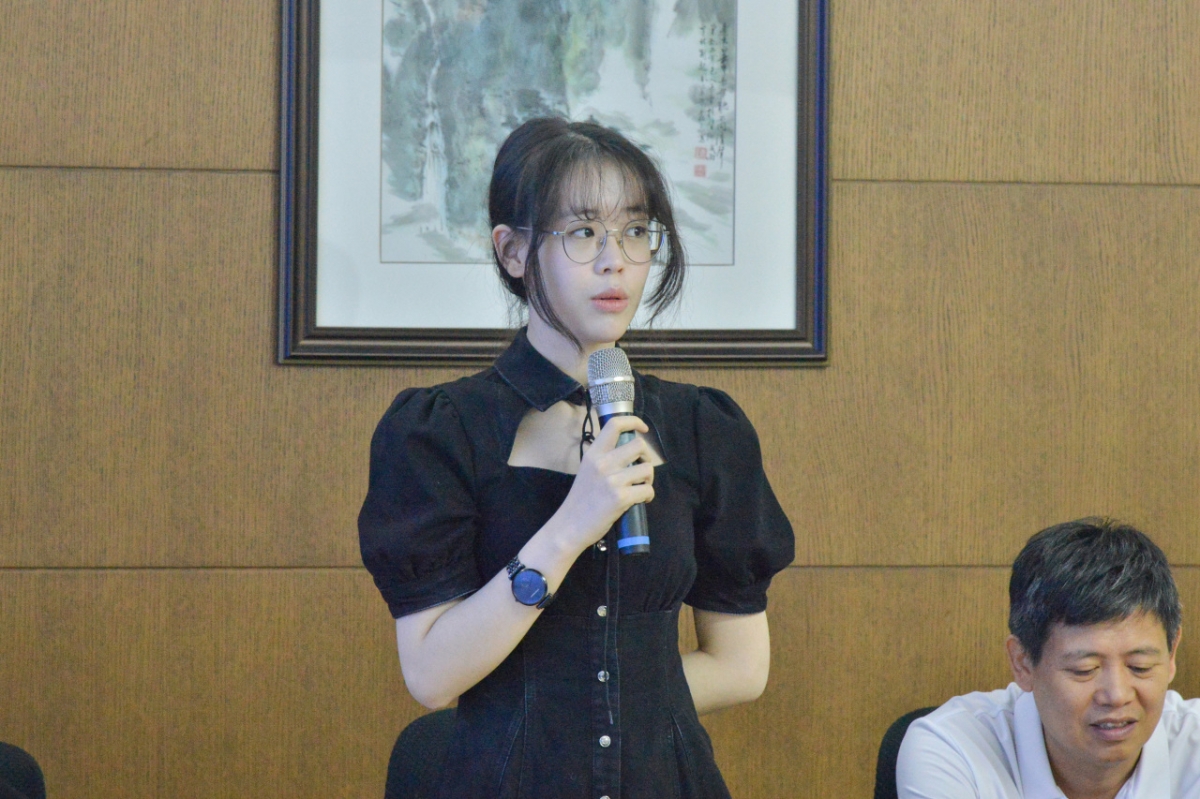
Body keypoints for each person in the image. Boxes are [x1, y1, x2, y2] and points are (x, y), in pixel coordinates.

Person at [358, 117, 795, 799]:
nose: (615, 260)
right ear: (512, 251)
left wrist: (606, 710)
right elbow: (432, 676)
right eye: (584, 232)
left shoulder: (702, 428)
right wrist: (571, 525)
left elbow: (742, 667)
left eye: (635, 230)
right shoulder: (442, 432)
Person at [897, 518, 1200, 799]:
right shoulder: (953, 748)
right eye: (1085, 669)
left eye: (1139, 667)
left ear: (1171, 654)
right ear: (1023, 663)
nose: (1117, 695)